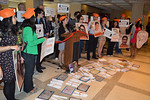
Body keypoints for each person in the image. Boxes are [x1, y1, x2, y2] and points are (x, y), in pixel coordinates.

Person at [21, 8, 46, 93]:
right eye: (34, 17)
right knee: (29, 72)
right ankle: (28, 89)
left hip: (30, 52)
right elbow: (31, 43)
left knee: (30, 71)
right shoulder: (28, 29)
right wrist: (42, 39)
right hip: (28, 53)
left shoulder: (28, 28)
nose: (35, 19)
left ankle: (29, 86)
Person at [0, 8, 20, 100]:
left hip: (12, 58)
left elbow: (14, 45)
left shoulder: (12, 30)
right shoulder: (1, 33)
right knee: (8, 82)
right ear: (9, 19)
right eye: (14, 17)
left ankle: (12, 98)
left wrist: (19, 56)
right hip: (4, 60)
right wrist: (11, 47)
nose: (16, 19)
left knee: (12, 80)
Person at [34, 7, 46, 73]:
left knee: (40, 53)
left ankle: (39, 65)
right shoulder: (34, 21)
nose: (43, 15)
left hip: (41, 38)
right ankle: (37, 67)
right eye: (42, 13)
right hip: (36, 39)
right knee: (37, 54)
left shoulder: (41, 21)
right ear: (38, 14)